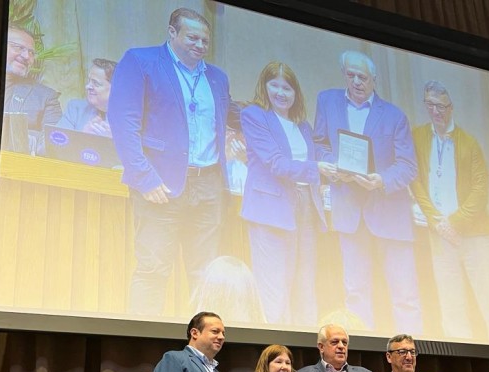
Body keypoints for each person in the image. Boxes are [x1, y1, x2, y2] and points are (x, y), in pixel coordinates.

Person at [109, 8, 232, 316]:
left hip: (208, 187)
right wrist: (144, 177)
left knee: (205, 275)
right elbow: (123, 122)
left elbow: (228, 120)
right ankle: (141, 342)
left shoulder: (217, 78)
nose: (200, 45)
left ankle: (203, 345)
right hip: (160, 185)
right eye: (192, 37)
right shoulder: (140, 61)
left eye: (205, 40)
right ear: (172, 32)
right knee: (153, 270)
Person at [312, 51, 421, 335]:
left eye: (363, 77)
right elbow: (319, 144)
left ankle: (409, 353)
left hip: (389, 213)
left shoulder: (395, 115)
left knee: (404, 294)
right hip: (349, 211)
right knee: (355, 291)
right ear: (343, 74)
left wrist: (381, 180)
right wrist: (333, 166)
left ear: (374, 79)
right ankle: (363, 350)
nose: (357, 82)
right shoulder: (327, 101)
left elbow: (408, 166)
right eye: (351, 75)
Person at [409, 80, 489, 343]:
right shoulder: (418, 136)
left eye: (441, 106)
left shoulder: (469, 143)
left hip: (475, 235)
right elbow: (415, 182)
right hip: (439, 235)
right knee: (450, 302)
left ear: (451, 107)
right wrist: (436, 222)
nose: (435, 111)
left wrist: (452, 222)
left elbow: (480, 191)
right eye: (430, 105)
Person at [241, 61, 331, 326]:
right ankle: (274, 343)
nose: (281, 93)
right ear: (264, 86)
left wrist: (340, 166)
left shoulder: (302, 126)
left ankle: (305, 342)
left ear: (296, 92)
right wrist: (318, 169)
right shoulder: (254, 116)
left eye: (287, 88)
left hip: (306, 207)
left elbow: (318, 156)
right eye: (275, 85)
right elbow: (276, 163)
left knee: (305, 283)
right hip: (270, 210)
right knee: (273, 284)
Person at [3, 23, 62, 133]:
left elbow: (53, 139)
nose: (27, 56)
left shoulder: (46, 97)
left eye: (31, 52)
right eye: (19, 48)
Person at [56, 58, 117, 136]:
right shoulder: (75, 108)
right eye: (89, 81)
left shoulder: (129, 118)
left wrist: (111, 140)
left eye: (95, 83)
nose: (87, 86)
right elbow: (56, 140)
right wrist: (83, 136)